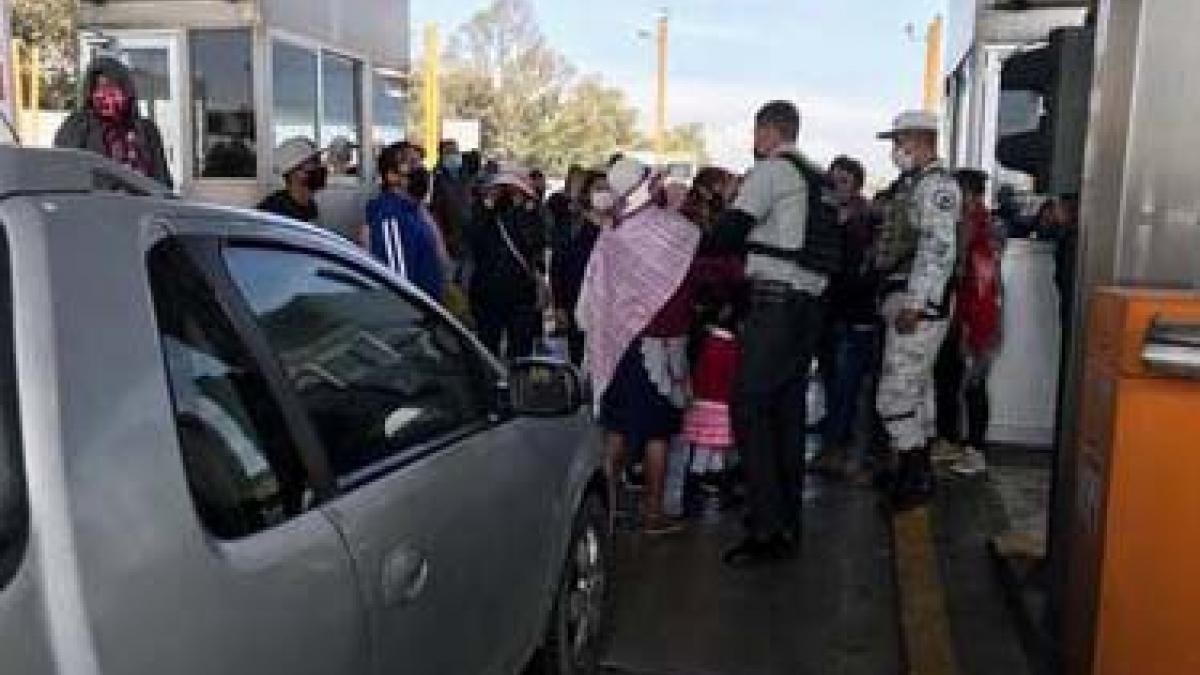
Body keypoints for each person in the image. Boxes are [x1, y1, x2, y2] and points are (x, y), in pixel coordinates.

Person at [709, 101, 833, 565]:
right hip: (808, 309)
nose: (754, 141)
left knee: (750, 411)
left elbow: (727, 233)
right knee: (786, 416)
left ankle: (764, 527)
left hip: (775, 307)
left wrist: (727, 207)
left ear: (768, 130)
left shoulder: (771, 172)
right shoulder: (817, 178)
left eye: (756, 131)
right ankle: (787, 522)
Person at [576, 157, 709, 536]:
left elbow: (596, 292)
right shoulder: (677, 231)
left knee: (615, 430)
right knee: (657, 433)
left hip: (617, 343)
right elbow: (698, 275)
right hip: (662, 345)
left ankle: (609, 511)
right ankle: (653, 514)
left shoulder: (613, 233)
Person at [873, 110, 962, 510]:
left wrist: (916, 303)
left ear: (921, 139)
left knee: (894, 395)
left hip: (920, 304)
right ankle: (915, 471)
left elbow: (938, 249)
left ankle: (914, 478)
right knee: (917, 391)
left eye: (900, 141)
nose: (896, 150)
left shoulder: (937, 187)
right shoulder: (918, 184)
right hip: (911, 296)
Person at [813, 155, 879, 480]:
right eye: (833, 180)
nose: (836, 188)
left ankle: (839, 447)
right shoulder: (831, 218)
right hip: (832, 312)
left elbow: (859, 268)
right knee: (834, 380)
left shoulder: (862, 221)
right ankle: (836, 441)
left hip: (854, 313)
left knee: (845, 384)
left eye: (843, 181)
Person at [947, 169, 1003, 476]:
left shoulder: (981, 231)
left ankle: (975, 450)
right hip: (974, 317)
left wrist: (974, 326)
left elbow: (982, 285)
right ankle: (969, 448)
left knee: (974, 386)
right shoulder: (979, 228)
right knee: (969, 385)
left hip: (979, 319)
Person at [54, 56, 173, 188]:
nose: (105, 95)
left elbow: (162, 179)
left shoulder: (146, 130)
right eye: (99, 89)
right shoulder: (78, 126)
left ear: (126, 91)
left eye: (112, 88)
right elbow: (63, 173)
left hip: (143, 204)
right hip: (97, 204)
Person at [466, 168, 547, 359]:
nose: (508, 196)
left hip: (521, 295)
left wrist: (524, 210)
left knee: (521, 353)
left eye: (513, 190)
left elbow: (535, 244)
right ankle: (490, 386)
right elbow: (474, 241)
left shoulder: (530, 215)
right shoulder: (484, 215)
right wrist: (488, 207)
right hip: (487, 294)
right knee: (487, 349)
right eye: (504, 190)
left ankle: (518, 385)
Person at [361, 144, 446, 302]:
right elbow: (399, 288)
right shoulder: (391, 216)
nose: (420, 169)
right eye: (412, 163)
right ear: (392, 176)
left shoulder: (414, 210)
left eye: (420, 162)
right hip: (416, 319)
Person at [551, 170, 609, 365]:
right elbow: (557, 266)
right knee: (579, 359)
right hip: (576, 304)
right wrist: (559, 306)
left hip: (609, 310)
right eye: (599, 189)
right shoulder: (571, 226)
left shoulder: (619, 227)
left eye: (608, 189)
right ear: (587, 194)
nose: (605, 194)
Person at [257, 137, 327, 224]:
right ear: (293, 172)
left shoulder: (309, 205)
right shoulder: (274, 211)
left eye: (318, 162)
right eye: (314, 162)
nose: (319, 167)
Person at [431, 140, 473, 263]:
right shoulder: (436, 178)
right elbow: (435, 211)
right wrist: (444, 238)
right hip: (447, 241)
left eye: (455, 151)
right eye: (449, 152)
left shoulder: (465, 175)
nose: (454, 155)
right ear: (442, 155)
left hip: (466, 239)